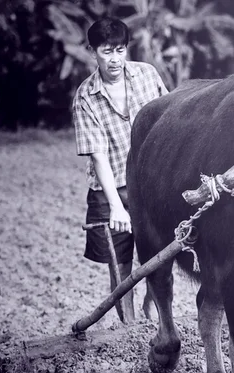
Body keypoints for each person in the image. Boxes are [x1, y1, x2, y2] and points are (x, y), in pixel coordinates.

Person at [72, 17, 168, 323]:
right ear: (92, 51)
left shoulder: (146, 74)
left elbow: (169, 122)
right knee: (122, 264)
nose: (114, 59)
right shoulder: (86, 97)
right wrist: (116, 206)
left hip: (152, 182)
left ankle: (152, 308)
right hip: (111, 187)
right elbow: (98, 157)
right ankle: (129, 326)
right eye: (106, 51)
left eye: (120, 50)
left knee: (161, 257)